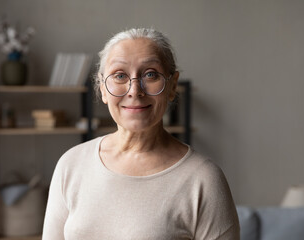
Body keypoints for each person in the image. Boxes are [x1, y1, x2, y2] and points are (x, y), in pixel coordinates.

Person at [42, 28, 240, 240]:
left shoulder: (203, 179)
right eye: (119, 75)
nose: (134, 90)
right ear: (102, 88)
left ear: (172, 86)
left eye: (150, 74)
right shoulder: (71, 164)